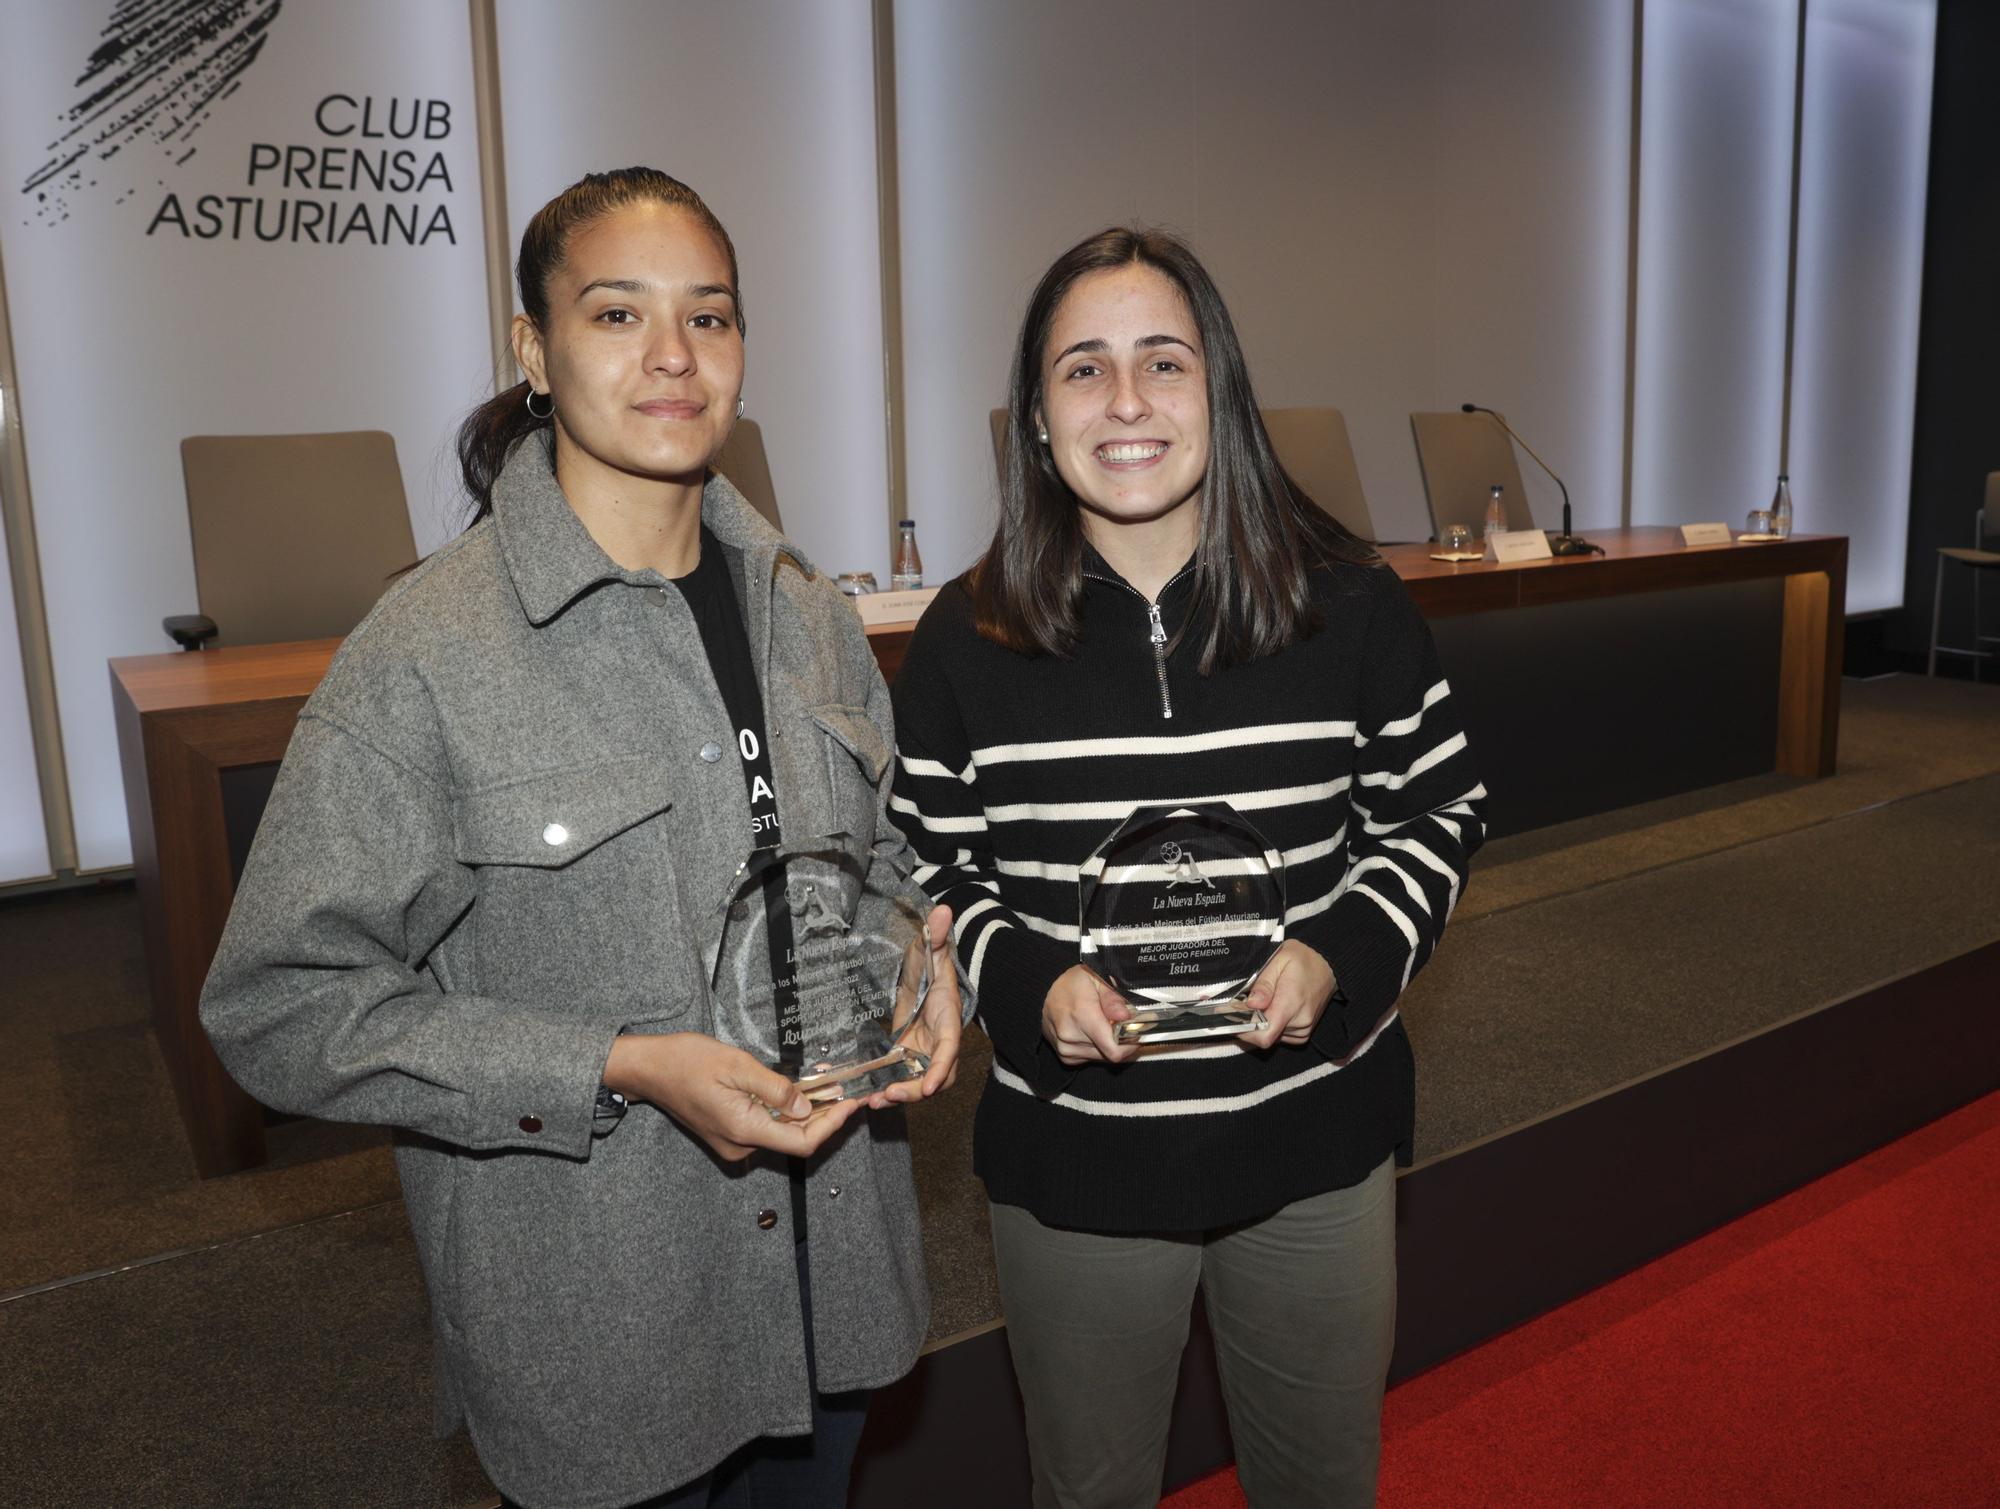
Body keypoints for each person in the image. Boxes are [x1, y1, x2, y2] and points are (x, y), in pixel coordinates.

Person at [199, 167, 962, 1509]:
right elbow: (278, 1003)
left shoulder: (809, 613)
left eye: (710, 318)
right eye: (617, 314)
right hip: (609, 1336)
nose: (674, 355)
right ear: (534, 351)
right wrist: (609, 1063)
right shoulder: (425, 655)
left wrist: (919, 959)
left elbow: (874, 861)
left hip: (832, 1283)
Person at [887, 227, 1486, 1508]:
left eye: (1163, 362)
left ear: (1218, 390)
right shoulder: (965, 637)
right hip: (1079, 1159)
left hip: (1314, 1140)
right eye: (1080, 369)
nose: (1125, 403)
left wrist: (1342, 953)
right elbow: (926, 859)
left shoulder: (1353, 604)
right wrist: (1026, 977)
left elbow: (1437, 811)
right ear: (1036, 418)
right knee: (1087, 1489)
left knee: (1319, 1483)